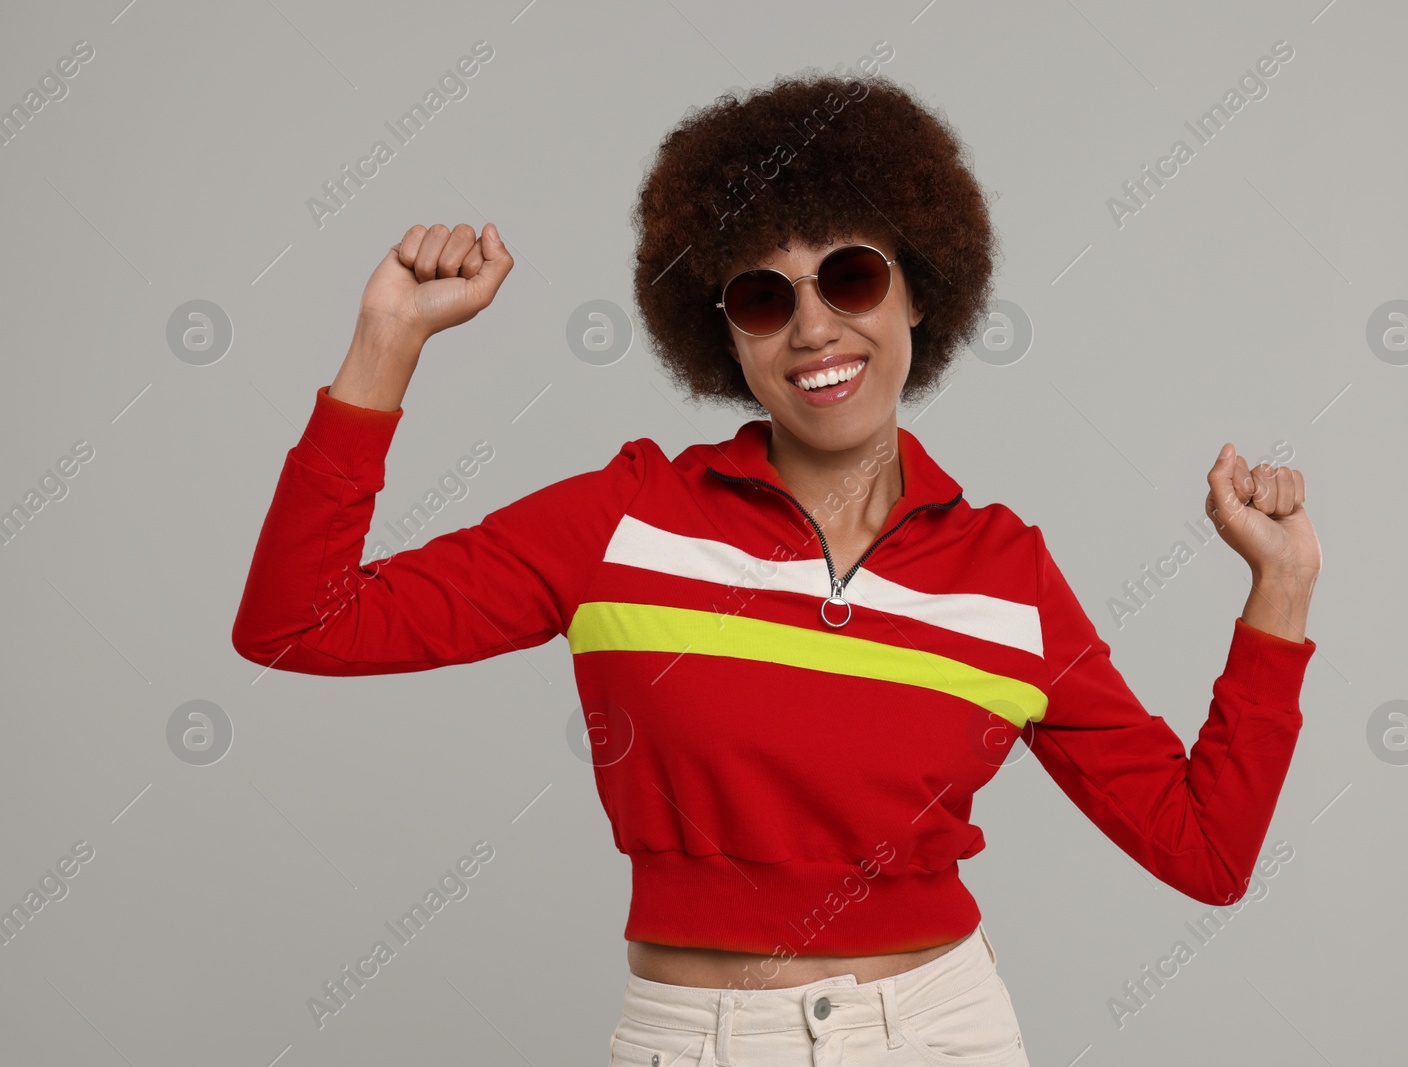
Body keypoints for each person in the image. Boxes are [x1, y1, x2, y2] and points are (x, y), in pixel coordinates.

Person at [232, 70, 1319, 1067]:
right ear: (725, 336)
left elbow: (1203, 850)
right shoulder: (625, 519)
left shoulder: (1005, 573)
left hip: (941, 1033)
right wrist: (387, 341)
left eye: (850, 275)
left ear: (918, 293)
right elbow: (298, 623)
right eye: (764, 296)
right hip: (696, 1038)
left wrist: (1278, 593)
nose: (813, 326)